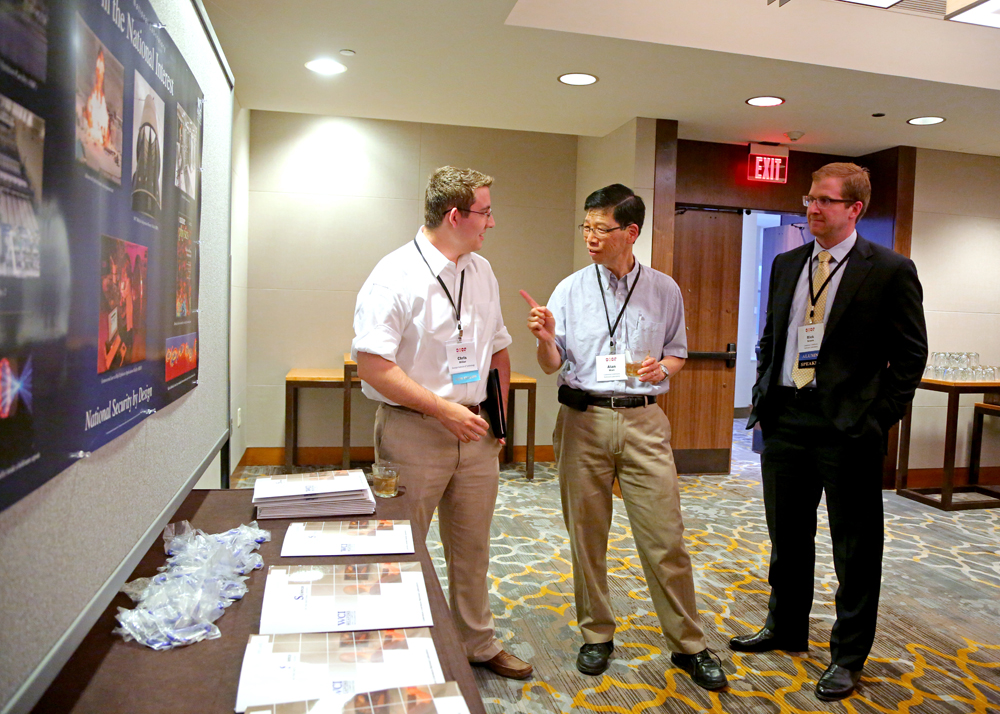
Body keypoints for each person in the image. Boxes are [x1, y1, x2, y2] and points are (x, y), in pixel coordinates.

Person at [734, 163, 927, 701]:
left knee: (855, 549)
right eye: (809, 199)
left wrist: (876, 420)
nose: (812, 208)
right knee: (788, 537)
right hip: (788, 420)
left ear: (853, 209)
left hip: (848, 430)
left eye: (824, 200)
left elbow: (910, 357)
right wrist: (764, 394)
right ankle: (787, 627)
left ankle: (847, 656)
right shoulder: (788, 262)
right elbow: (774, 336)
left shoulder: (889, 269)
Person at [523, 184, 727, 690]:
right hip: (582, 420)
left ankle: (688, 644)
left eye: (601, 228)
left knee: (665, 537)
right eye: (586, 227)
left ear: (630, 232)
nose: (591, 237)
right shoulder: (569, 289)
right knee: (586, 537)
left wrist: (666, 368)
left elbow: (678, 350)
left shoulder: (664, 289)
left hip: (643, 421)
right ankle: (596, 634)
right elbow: (553, 365)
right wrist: (547, 340)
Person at [353, 166, 532, 680]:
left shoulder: (481, 271)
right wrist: (441, 410)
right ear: (455, 216)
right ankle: (391, 649)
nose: (492, 223)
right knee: (399, 545)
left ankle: (477, 644)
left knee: (472, 547)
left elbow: (497, 346)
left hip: (475, 432)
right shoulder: (393, 276)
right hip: (414, 431)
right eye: (486, 212)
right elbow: (374, 367)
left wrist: (496, 418)